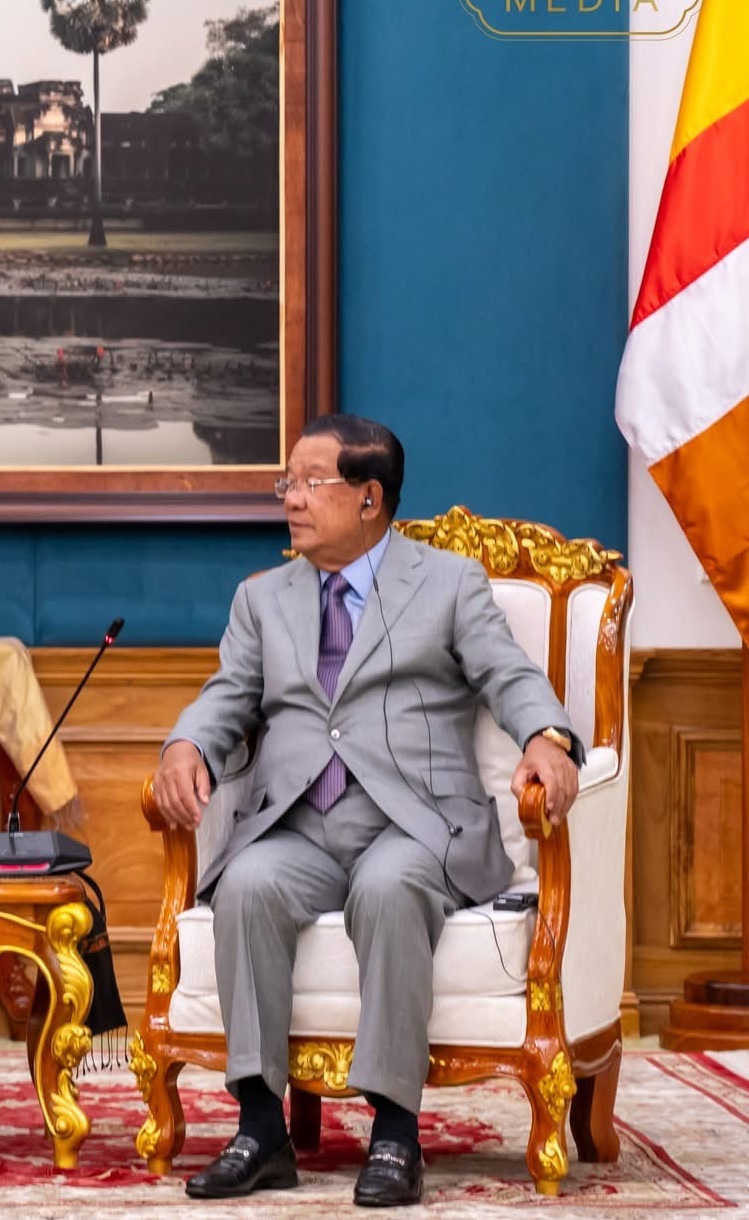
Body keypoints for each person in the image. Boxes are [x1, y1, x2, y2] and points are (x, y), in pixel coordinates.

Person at [151, 415, 580, 1208]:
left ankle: (394, 1133)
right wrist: (187, 744)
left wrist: (547, 738)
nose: (291, 498)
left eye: (310, 482)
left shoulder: (448, 583)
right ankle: (260, 1129)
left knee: (388, 887)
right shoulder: (261, 598)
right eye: (287, 482)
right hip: (302, 826)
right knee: (246, 883)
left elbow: (508, 673)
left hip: (413, 822)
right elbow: (225, 695)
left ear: (369, 497)